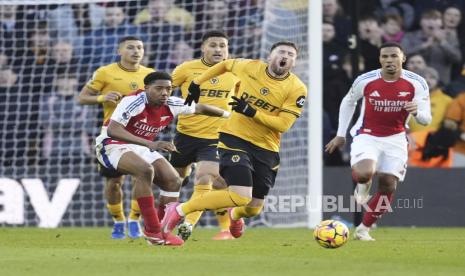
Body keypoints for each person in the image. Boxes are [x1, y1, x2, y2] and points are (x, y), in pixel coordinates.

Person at [161, 41, 308, 240]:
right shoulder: (249, 66)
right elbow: (224, 65)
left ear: (294, 62)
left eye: (291, 54)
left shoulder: (297, 88)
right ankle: (179, 211)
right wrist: (197, 83)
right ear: (269, 56)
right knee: (239, 195)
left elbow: (283, 125)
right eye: (281, 52)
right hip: (234, 137)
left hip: (266, 147)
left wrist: (251, 111)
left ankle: (235, 215)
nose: (285, 56)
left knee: (252, 208)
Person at [95, 71, 231, 246]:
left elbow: (201, 108)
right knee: (145, 170)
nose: (164, 93)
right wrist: (150, 144)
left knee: (174, 180)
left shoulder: (172, 104)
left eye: (168, 89)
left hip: (141, 145)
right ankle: (152, 231)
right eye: (159, 88)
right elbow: (114, 129)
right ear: (146, 89)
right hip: (111, 143)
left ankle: (163, 230)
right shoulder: (133, 101)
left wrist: (231, 116)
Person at [325, 42, 432, 241]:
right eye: (385, 57)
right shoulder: (365, 80)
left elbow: (426, 119)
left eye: (393, 56)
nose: (389, 60)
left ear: (403, 58)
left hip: (396, 139)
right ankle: (363, 185)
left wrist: (417, 111)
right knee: (365, 172)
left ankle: (364, 228)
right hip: (367, 135)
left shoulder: (417, 83)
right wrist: (341, 134)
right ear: (380, 59)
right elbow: (348, 102)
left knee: (388, 185)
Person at [78, 36, 154, 239]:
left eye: (140, 47)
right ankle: (118, 220)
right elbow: (82, 97)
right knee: (114, 182)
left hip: (140, 135)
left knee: (143, 176)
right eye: (130, 47)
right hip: (113, 135)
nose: (136, 51)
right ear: (120, 51)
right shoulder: (105, 72)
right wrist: (103, 97)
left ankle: (134, 220)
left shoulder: (151, 75)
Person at [169, 30, 240, 241]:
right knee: (175, 181)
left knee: (205, 177)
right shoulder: (186, 69)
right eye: (213, 45)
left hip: (216, 137)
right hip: (185, 135)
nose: (218, 50)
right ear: (203, 47)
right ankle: (232, 220)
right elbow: (162, 90)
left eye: (222, 46)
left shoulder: (236, 72)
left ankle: (188, 225)